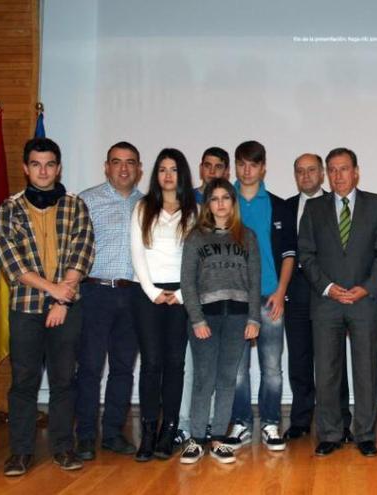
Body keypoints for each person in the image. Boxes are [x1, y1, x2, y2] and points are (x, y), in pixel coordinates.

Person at [0, 137, 95, 476]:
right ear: (25, 168)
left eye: (50, 164)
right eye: (36, 164)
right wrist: (56, 292)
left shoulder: (75, 205)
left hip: (67, 308)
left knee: (64, 380)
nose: (43, 170)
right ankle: (20, 452)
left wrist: (61, 299)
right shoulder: (9, 209)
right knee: (24, 381)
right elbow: (14, 265)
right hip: (25, 308)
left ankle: (63, 448)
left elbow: (83, 252)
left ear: (59, 168)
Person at [298, 147, 377, 457]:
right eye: (333, 170)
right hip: (326, 303)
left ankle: (365, 434)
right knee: (326, 372)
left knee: (366, 371)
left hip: (364, 302)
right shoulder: (314, 209)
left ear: (356, 172)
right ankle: (330, 433)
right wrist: (327, 287)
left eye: (344, 169)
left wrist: (366, 288)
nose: (338, 175)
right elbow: (306, 254)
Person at [179, 178, 261, 465]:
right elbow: (187, 283)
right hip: (205, 318)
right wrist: (196, 318)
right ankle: (196, 438)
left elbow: (254, 280)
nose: (221, 204)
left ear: (233, 202)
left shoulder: (246, 236)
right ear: (207, 204)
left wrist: (254, 318)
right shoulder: (196, 237)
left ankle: (218, 439)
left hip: (239, 318)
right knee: (204, 378)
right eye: (214, 198)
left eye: (226, 198)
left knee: (227, 379)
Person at [74, 142, 143, 461]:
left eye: (130, 162)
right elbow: (71, 251)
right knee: (88, 367)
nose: (124, 168)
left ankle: (113, 433)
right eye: (117, 162)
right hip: (95, 292)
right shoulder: (86, 201)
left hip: (134, 295)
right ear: (107, 166)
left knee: (123, 368)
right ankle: (86, 435)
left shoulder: (149, 204)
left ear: (139, 168)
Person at [225, 141, 295, 452]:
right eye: (241, 164)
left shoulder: (279, 205)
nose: (247, 170)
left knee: (272, 367)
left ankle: (270, 422)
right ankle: (241, 422)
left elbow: (289, 255)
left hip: (270, 299)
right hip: (236, 299)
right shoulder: (224, 202)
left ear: (263, 167)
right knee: (237, 369)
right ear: (235, 166)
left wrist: (281, 292)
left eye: (253, 164)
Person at [130, 148, 197, 461]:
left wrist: (182, 293)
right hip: (148, 296)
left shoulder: (193, 210)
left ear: (181, 174)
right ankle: (148, 432)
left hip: (182, 296)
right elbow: (137, 254)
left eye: (173, 170)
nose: (168, 175)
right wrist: (152, 291)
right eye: (162, 169)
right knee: (152, 362)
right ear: (155, 175)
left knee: (175, 363)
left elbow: (195, 257)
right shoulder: (143, 207)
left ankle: (168, 431)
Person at [284, 153, 353, 442]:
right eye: (300, 171)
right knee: (299, 358)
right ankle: (301, 420)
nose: (306, 176)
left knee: (334, 360)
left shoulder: (333, 204)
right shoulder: (284, 207)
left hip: (328, 292)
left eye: (312, 170)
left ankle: (341, 421)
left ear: (322, 174)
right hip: (297, 291)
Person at [178, 146, 230, 446]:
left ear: (226, 173)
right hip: (192, 300)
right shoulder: (187, 202)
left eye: (218, 166)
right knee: (194, 369)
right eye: (207, 166)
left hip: (223, 305)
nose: (212, 171)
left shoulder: (227, 205)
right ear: (200, 168)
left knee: (221, 372)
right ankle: (188, 425)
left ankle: (214, 426)